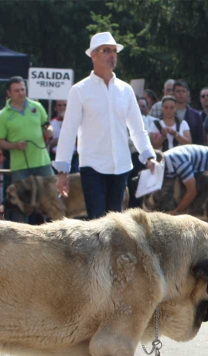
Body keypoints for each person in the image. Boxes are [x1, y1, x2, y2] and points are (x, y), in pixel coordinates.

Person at [53, 31, 159, 219]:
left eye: (114, 51)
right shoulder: (79, 90)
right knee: (97, 222)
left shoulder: (125, 90)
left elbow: (137, 128)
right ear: (93, 55)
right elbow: (68, 132)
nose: (112, 55)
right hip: (92, 166)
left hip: (121, 166)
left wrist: (148, 157)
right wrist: (62, 170)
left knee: (116, 223)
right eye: (106, 50)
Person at [0, 76, 54, 223]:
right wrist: (14, 145)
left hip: (42, 162)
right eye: (16, 91)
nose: (21, 93)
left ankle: (56, 232)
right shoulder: (3, 115)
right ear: (9, 93)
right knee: (20, 204)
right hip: (20, 166)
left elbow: (46, 124)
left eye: (23, 89)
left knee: (52, 198)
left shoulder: (37, 107)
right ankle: (21, 239)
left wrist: (49, 130)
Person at [161, 144, 208, 215]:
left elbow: (192, 191)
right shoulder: (163, 161)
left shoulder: (180, 163)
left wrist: (176, 211)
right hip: (199, 169)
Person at [127, 97, 161, 207]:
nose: (140, 108)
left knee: (143, 192)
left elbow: (144, 138)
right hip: (127, 157)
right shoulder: (124, 118)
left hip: (143, 157)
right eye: (138, 106)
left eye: (143, 106)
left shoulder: (146, 120)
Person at [47, 99, 79, 173]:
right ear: (55, 108)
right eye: (59, 105)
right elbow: (49, 144)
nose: (62, 108)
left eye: (65, 105)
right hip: (55, 157)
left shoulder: (76, 122)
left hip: (72, 157)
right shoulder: (51, 123)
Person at [173, 80, 204, 145]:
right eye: (178, 91)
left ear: (188, 93)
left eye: (183, 91)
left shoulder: (195, 115)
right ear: (173, 93)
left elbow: (200, 138)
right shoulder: (167, 113)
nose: (181, 94)